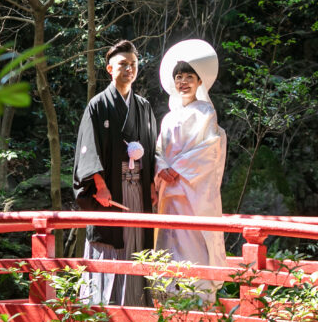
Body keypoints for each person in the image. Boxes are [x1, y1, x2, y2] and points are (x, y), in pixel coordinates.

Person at [73, 40, 158, 306]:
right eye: (123, 64)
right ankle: (103, 309)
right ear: (110, 69)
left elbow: (153, 147)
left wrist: (152, 184)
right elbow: (89, 149)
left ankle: (137, 307)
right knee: (110, 243)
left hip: (138, 190)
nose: (129, 69)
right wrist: (99, 185)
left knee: (136, 243)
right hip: (109, 190)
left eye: (133, 64)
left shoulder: (143, 107)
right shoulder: (97, 105)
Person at [153, 39, 228, 304]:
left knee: (192, 239)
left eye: (189, 77)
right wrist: (163, 168)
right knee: (169, 239)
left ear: (199, 82)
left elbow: (208, 150)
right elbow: (159, 150)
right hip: (169, 191)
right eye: (179, 77)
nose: (183, 82)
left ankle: (196, 298)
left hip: (191, 191)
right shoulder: (168, 117)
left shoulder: (205, 112)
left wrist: (178, 169)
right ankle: (167, 297)